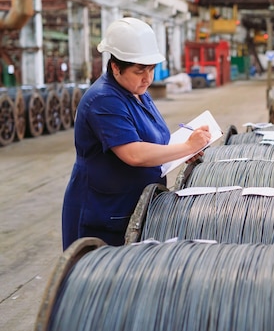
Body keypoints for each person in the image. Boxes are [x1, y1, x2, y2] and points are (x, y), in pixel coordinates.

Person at [61, 17, 211, 250]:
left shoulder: (137, 91)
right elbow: (133, 153)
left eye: (151, 69)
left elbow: (153, 139)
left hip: (133, 206)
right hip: (104, 213)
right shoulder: (104, 100)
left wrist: (179, 152)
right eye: (139, 70)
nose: (147, 78)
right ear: (115, 67)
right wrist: (187, 147)